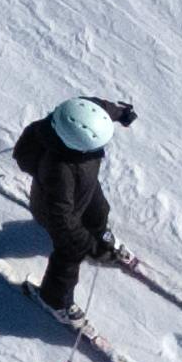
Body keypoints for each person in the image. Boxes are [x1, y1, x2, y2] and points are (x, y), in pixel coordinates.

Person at [14, 92, 136, 314]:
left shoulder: (76, 115)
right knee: (69, 253)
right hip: (55, 210)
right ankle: (54, 300)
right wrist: (84, 243)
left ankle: (102, 240)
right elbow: (62, 219)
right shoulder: (59, 171)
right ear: (78, 147)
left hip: (85, 187)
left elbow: (100, 108)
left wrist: (122, 114)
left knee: (99, 211)